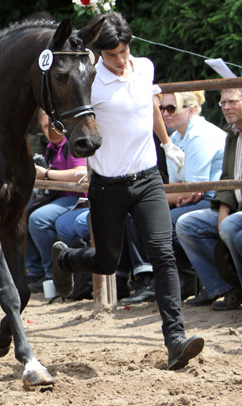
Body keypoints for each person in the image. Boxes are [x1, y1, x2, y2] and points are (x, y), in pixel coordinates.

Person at [51, 12, 204, 370]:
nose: (120, 61)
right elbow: (69, 116)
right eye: (112, 55)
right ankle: (67, 259)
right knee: (106, 261)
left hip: (148, 178)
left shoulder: (145, 67)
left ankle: (175, 340)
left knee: (162, 254)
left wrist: (166, 143)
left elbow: (150, 103)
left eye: (123, 52)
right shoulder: (91, 81)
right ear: (99, 54)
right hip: (108, 185)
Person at [176, 87, 242, 311]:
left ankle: (239, 288)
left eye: (232, 101)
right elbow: (226, 179)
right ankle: (223, 288)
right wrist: (223, 211)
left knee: (232, 226)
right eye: (223, 103)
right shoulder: (232, 134)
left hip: (238, 213)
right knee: (187, 224)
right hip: (234, 206)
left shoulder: (203, 134)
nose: (225, 107)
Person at [160, 91, 226, 287]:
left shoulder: (200, 135)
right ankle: (157, 277)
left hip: (216, 199)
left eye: (172, 108)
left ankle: (200, 278)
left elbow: (192, 191)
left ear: (191, 110)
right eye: (162, 108)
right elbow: (177, 187)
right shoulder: (175, 138)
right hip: (201, 196)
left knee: (165, 223)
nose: (165, 114)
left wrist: (156, 197)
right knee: (145, 216)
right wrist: (172, 195)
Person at [26, 109, 87, 292]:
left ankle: (51, 273)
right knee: (22, 213)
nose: (49, 130)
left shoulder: (72, 143)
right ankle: (35, 271)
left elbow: (81, 174)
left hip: (76, 198)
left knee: (38, 219)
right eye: (45, 126)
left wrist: (46, 173)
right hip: (58, 197)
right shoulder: (51, 148)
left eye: (53, 125)